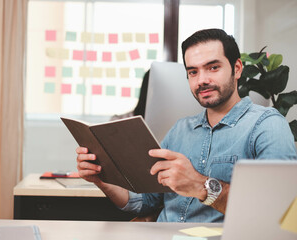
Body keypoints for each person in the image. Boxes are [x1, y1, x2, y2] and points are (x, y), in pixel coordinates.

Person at [75, 29, 297, 222]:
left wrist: (200, 186)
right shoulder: (180, 129)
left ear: (237, 69)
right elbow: (144, 202)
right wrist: (102, 181)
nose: (201, 80)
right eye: (193, 71)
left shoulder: (266, 125)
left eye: (213, 67)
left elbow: (277, 211)